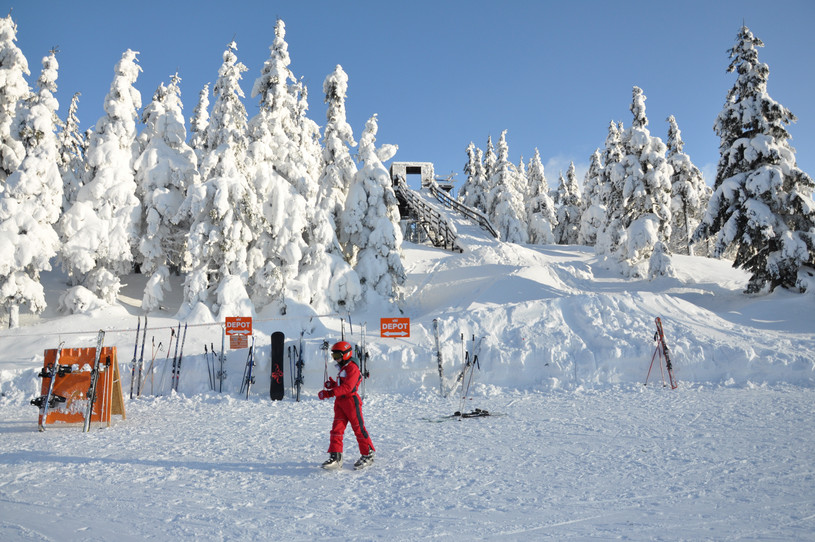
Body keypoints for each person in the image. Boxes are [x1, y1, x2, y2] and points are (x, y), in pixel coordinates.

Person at [318, 340, 375, 470]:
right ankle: (336, 457)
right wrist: (332, 384)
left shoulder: (352, 368)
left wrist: (329, 393)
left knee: (358, 428)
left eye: (337, 356)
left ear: (346, 354)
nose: (336, 359)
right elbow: (342, 385)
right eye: (334, 356)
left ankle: (368, 454)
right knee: (336, 430)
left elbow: (348, 387)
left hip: (351, 402)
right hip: (340, 403)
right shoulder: (344, 368)